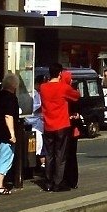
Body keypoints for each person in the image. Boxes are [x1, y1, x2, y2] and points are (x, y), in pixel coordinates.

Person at [39, 63, 80, 192]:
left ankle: (48, 182)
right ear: (60, 73)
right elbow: (76, 96)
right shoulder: (64, 88)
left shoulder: (43, 87)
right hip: (62, 124)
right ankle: (58, 182)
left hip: (48, 125)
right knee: (60, 155)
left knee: (49, 155)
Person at [26, 73, 47, 175]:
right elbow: (34, 108)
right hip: (33, 123)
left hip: (38, 123)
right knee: (36, 146)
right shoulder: (34, 94)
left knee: (40, 146)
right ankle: (37, 166)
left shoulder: (37, 93)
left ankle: (40, 165)